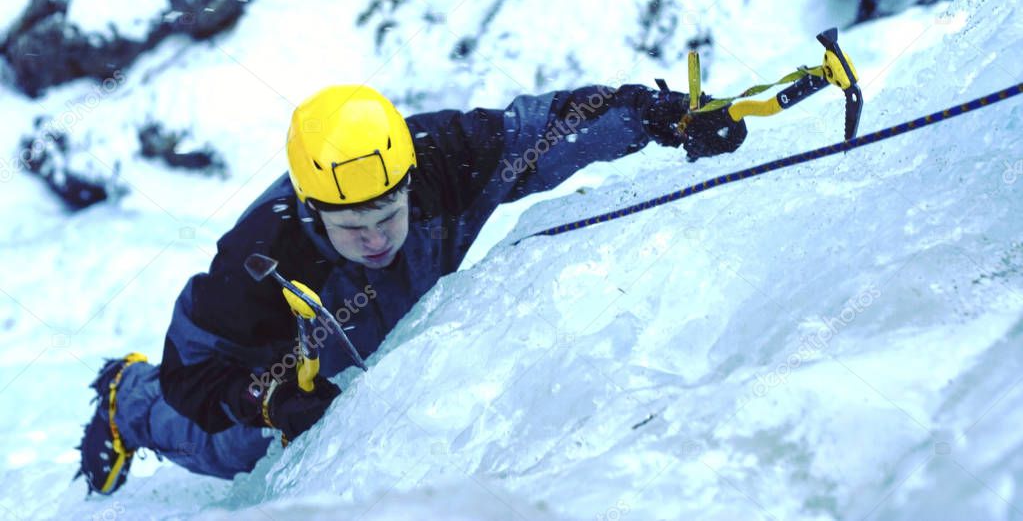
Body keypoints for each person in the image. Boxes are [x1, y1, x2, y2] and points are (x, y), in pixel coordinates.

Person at [77, 81, 746, 494]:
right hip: (299, 360)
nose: (374, 238)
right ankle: (122, 400)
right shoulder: (257, 261)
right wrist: (269, 402)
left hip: (392, 321)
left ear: (406, 179)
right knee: (228, 454)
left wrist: (658, 118)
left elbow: (547, 130)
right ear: (312, 210)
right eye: (351, 225)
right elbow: (191, 375)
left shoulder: (445, 157)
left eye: (385, 215)